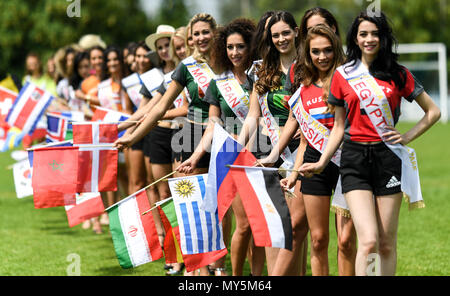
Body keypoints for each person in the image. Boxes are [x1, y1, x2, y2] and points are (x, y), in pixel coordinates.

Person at [299, 11, 440, 276]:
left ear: (383, 37)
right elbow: (339, 127)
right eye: (363, 33)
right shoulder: (343, 74)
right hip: (353, 160)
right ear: (355, 37)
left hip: (388, 159)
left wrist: (407, 137)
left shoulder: (398, 74)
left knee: (386, 244)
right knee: (369, 240)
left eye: (375, 33)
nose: (369, 39)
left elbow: (433, 112)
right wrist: (321, 161)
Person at [114, 13, 219, 276]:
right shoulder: (186, 67)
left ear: (215, 33)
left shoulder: (226, 62)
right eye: (196, 34)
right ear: (189, 38)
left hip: (225, 140)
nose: (201, 38)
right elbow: (160, 106)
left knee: (221, 211)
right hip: (191, 138)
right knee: (195, 210)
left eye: (206, 32)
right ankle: (200, 270)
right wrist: (134, 135)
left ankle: (221, 266)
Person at [177, 18, 257, 276]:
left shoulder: (260, 78)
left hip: (262, 152)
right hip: (231, 155)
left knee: (258, 224)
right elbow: (212, 125)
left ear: (250, 47)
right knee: (242, 223)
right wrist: (196, 154)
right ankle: (230, 275)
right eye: (230, 47)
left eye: (240, 47)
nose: (235, 53)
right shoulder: (218, 83)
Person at [236, 11, 304, 276]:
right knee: (274, 225)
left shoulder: (308, 67)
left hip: (301, 153)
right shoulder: (261, 70)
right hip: (267, 153)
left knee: (297, 228)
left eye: (286, 32)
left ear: (296, 32)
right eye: (275, 35)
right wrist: (238, 146)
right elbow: (253, 115)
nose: (281, 39)